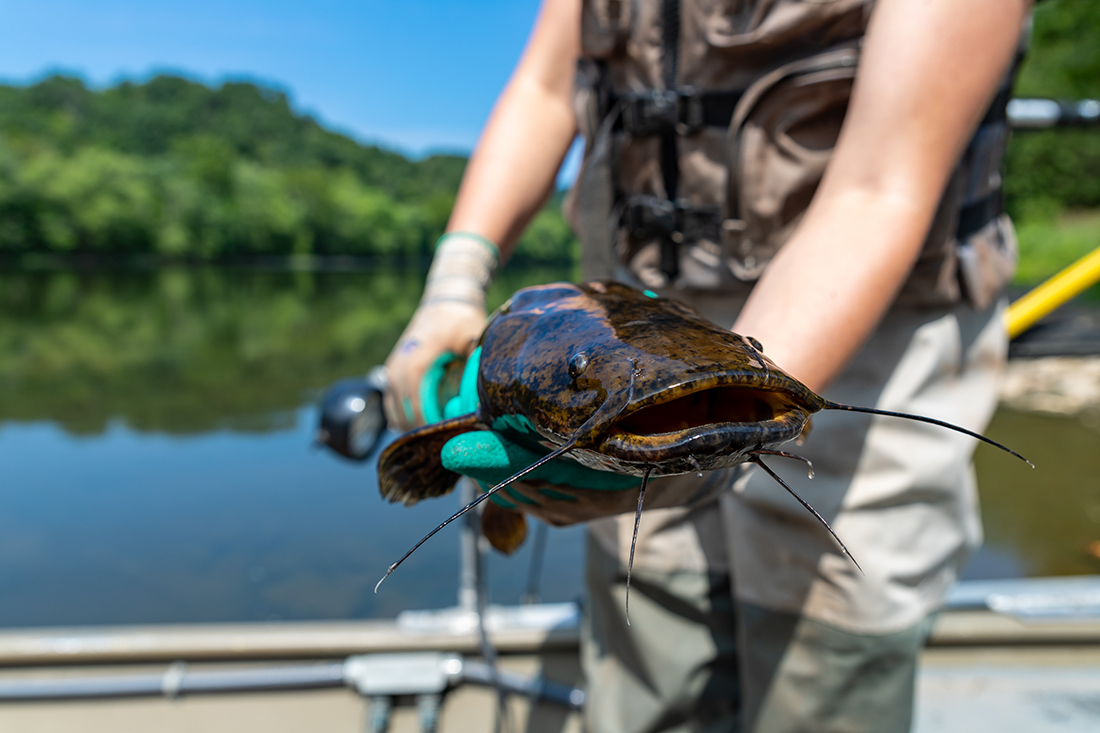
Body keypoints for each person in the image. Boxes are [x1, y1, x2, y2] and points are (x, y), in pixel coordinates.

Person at [383, 0, 1033, 730]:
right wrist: (456, 273)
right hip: (620, 325)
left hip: (868, 328)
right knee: (652, 636)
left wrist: (730, 409)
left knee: (827, 648)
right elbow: (544, 85)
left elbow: (880, 187)